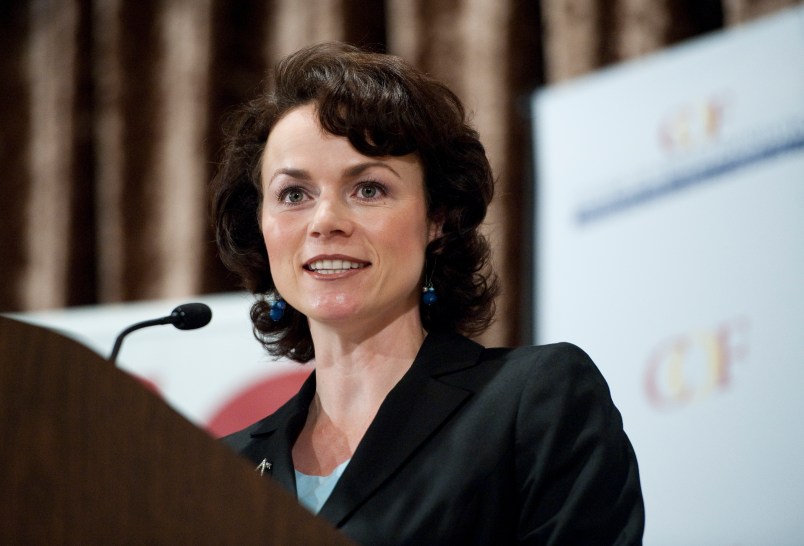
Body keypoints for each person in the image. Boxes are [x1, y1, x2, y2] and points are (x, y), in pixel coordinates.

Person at [211, 42, 644, 545]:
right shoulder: (225, 468)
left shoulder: (532, 402)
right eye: (294, 194)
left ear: (437, 217)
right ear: (260, 226)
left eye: (368, 188)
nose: (325, 221)